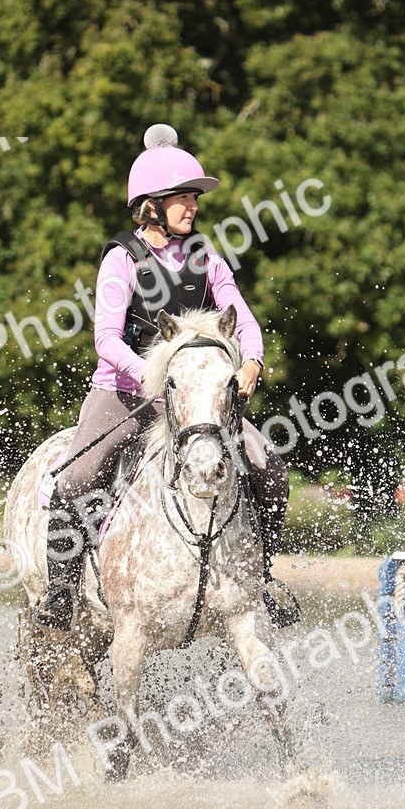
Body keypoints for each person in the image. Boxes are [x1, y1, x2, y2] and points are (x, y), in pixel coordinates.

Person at [34, 123, 291, 631]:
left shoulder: (205, 257)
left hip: (193, 400)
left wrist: (253, 361)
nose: (192, 206)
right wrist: (154, 375)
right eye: (182, 197)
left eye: (194, 198)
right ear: (151, 205)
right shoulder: (121, 259)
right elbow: (106, 340)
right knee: (79, 477)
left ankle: (263, 579)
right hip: (126, 393)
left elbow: (241, 316)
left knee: (270, 469)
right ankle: (61, 590)